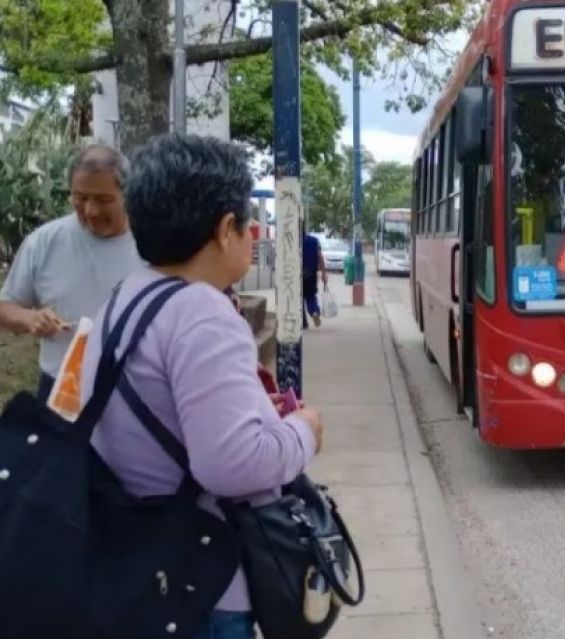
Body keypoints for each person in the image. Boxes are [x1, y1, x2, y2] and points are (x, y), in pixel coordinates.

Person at [80, 134, 325, 639]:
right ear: (224, 229)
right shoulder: (203, 312)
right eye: (245, 224)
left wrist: (252, 409)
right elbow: (231, 465)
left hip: (139, 566)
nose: (251, 235)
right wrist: (304, 431)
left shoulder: (127, 297)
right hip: (203, 589)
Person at [0, 144, 145, 400]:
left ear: (128, 194)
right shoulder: (44, 242)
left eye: (103, 200)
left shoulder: (152, 244)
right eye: (80, 198)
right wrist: (30, 319)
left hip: (131, 393)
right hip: (61, 389)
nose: (90, 211)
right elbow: (6, 307)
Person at [301, 226, 327, 328]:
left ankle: (303, 322)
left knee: (299, 299)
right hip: (311, 274)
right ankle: (314, 311)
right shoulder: (314, 241)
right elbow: (320, 257)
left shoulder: (293, 242)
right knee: (311, 297)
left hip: (297, 274)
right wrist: (324, 273)